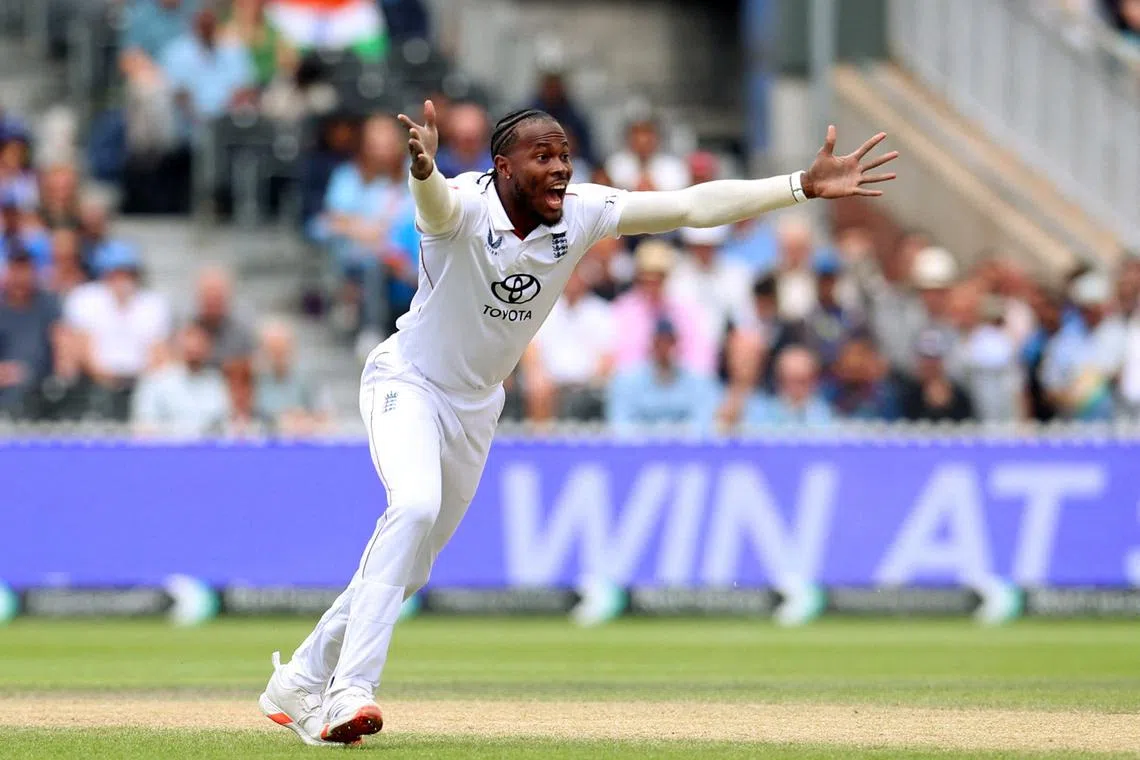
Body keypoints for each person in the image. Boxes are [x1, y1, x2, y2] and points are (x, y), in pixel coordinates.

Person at [258, 100, 897, 745]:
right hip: (408, 383)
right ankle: (350, 690)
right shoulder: (463, 203)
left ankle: (299, 678)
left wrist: (801, 186)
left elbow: (690, 206)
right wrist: (422, 168)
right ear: (502, 167)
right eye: (543, 157)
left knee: (410, 568)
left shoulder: (583, 211)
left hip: (478, 404)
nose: (561, 168)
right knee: (414, 508)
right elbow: (435, 209)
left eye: (564, 154)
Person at [605, 317, 719, 433]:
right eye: (659, 341)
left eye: (669, 341)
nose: (664, 347)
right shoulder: (626, 383)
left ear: (676, 343)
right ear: (651, 343)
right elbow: (621, 426)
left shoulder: (700, 383)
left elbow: (704, 426)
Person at [131, 322, 231, 437]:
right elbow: (144, 426)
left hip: (207, 450)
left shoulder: (216, 383)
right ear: (178, 347)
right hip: (166, 450)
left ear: (208, 349)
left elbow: (224, 423)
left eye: (199, 346)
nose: (194, 351)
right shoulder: (156, 381)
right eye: (190, 348)